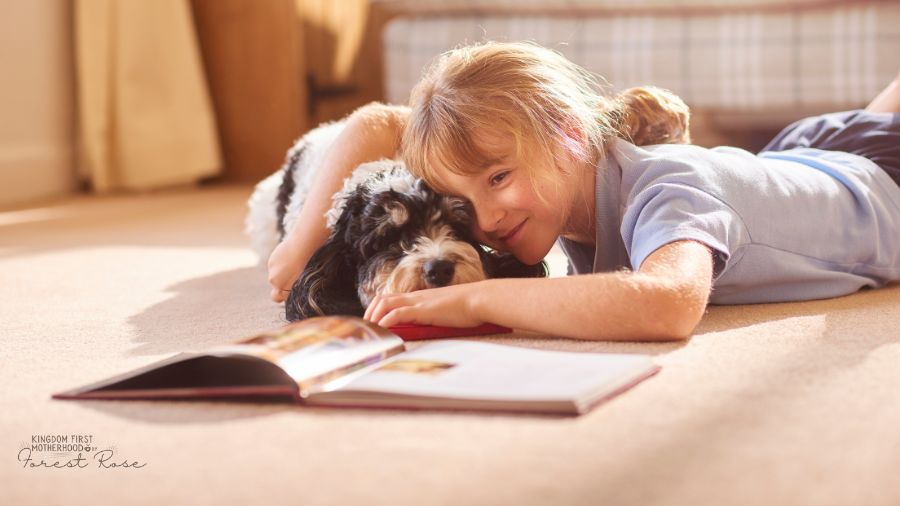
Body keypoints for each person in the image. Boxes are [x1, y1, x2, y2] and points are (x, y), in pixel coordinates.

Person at [268, 41, 900, 341]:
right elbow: (380, 126)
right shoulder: (568, 199)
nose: (486, 217)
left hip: (884, 184)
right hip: (807, 157)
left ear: (570, 134)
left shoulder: (669, 190)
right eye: (466, 203)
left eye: (498, 177)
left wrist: (475, 301)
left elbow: (667, 304)